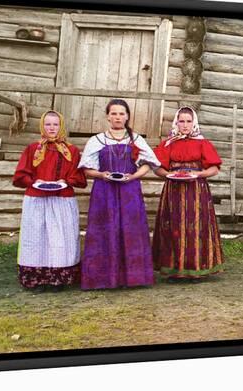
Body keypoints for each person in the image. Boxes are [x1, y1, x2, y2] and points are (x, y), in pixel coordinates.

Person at [78, 99, 161, 289]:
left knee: (130, 229)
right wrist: (101, 174)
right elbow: (87, 169)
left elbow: (148, 164)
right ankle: (102, 279)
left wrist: (133, 177)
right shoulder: (96, 140)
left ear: (127, 116)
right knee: (104, 229)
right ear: (107, 116)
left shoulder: (136, 140)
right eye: (114, 113)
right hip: (104, 191)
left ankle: (133, 277)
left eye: (121, 113)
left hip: (129, 191)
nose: (117, 117)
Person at [12, 110, 87, 292]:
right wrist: (34, 181)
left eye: (55, 124)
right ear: (42, 126)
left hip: (62, 201)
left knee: (61, 238)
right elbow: (21, 174)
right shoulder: (32, 149)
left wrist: (65, 181)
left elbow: (79, 176)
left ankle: (58, 279)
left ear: (61, 126)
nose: (51, 128)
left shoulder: (71, 151)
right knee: (37, 238)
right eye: (48, 124)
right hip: (37, 200)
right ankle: (37, 279)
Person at [152, 106, 224, 280]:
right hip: (173, 191)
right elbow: (157, 168)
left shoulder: (202, 143)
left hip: (196, 190)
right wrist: (168, 174)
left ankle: (198, 267)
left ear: (194, 123)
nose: (185, 125)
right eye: (181, 121)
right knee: (173, 226)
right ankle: (173, 268)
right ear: (176, 122)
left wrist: (199, 174)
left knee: (197, 226)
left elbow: (214, 168)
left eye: (189, 121)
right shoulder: (168, 143)